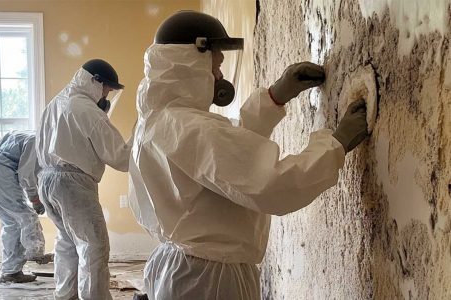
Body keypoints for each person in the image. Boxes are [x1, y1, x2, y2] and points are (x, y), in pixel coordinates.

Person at [128, 11, 368, 300]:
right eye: (215, 65)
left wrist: (273, 99)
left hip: (181, 268)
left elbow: (224, 156)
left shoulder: (156, 121)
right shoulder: (188, 127)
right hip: (208, 282)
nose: (219, 76)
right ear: (191, 63)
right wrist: (336, 145)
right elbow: (272, 184)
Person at [36, 59, 132, 300]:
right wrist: (140, 133)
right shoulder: (86, 109)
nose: (107, 95)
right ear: (95, 82)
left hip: (47, 179)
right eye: (107, 89)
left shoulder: (55, 103)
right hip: (73, 183)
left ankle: (65, 296)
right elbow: (121, 158)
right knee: (93, 246)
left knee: (67, 243)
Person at [0, 130, 53, 284]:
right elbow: (26, 174)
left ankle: (10, 271)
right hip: (2, 175)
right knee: (27, 216)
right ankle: (35, 252)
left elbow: (32, 171)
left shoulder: (18, 133)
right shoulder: (36, 140)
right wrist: (35, 198)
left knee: (11, 224)